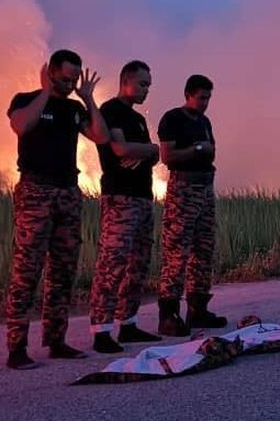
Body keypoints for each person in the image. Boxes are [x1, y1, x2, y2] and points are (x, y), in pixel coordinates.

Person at [5, 49, 109, 370]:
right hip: (36, 190)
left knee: (63, 269)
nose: (69, 85)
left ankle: (56, 339)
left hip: (67, 191)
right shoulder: (26, 99)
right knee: (27, 269)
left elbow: (101, 136)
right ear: (50, 73)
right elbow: (22, 126)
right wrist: (46, 92)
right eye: (64, 79)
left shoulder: (74, 108)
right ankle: (17, 347)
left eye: (74, 79)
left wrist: (89, 99)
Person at [89, 60, 162, 353]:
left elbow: (156, 155)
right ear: (126, 81)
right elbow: (120, 149)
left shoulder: (138, 120)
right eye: (143, 84)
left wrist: (149, 151)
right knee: (112, 263)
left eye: (149, 86)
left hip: (143, 197)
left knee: (138, 263)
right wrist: (151, 149)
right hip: (120, 197)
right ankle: (101, 330)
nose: (146, 90)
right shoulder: (111, 111)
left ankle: (128, 323)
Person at [155, 74, 227, 335]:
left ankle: (198, 309)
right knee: (177, 251)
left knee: (203, 249)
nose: (205, 103)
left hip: (205, 186)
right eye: (201, 98)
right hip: (183, 189)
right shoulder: (173, 119)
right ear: (188, 94)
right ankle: (168, 315)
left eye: (208, 98)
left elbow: (212, 151)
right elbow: (167, 155)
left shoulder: (204, 121)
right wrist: (197, 149)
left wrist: (204, 150)